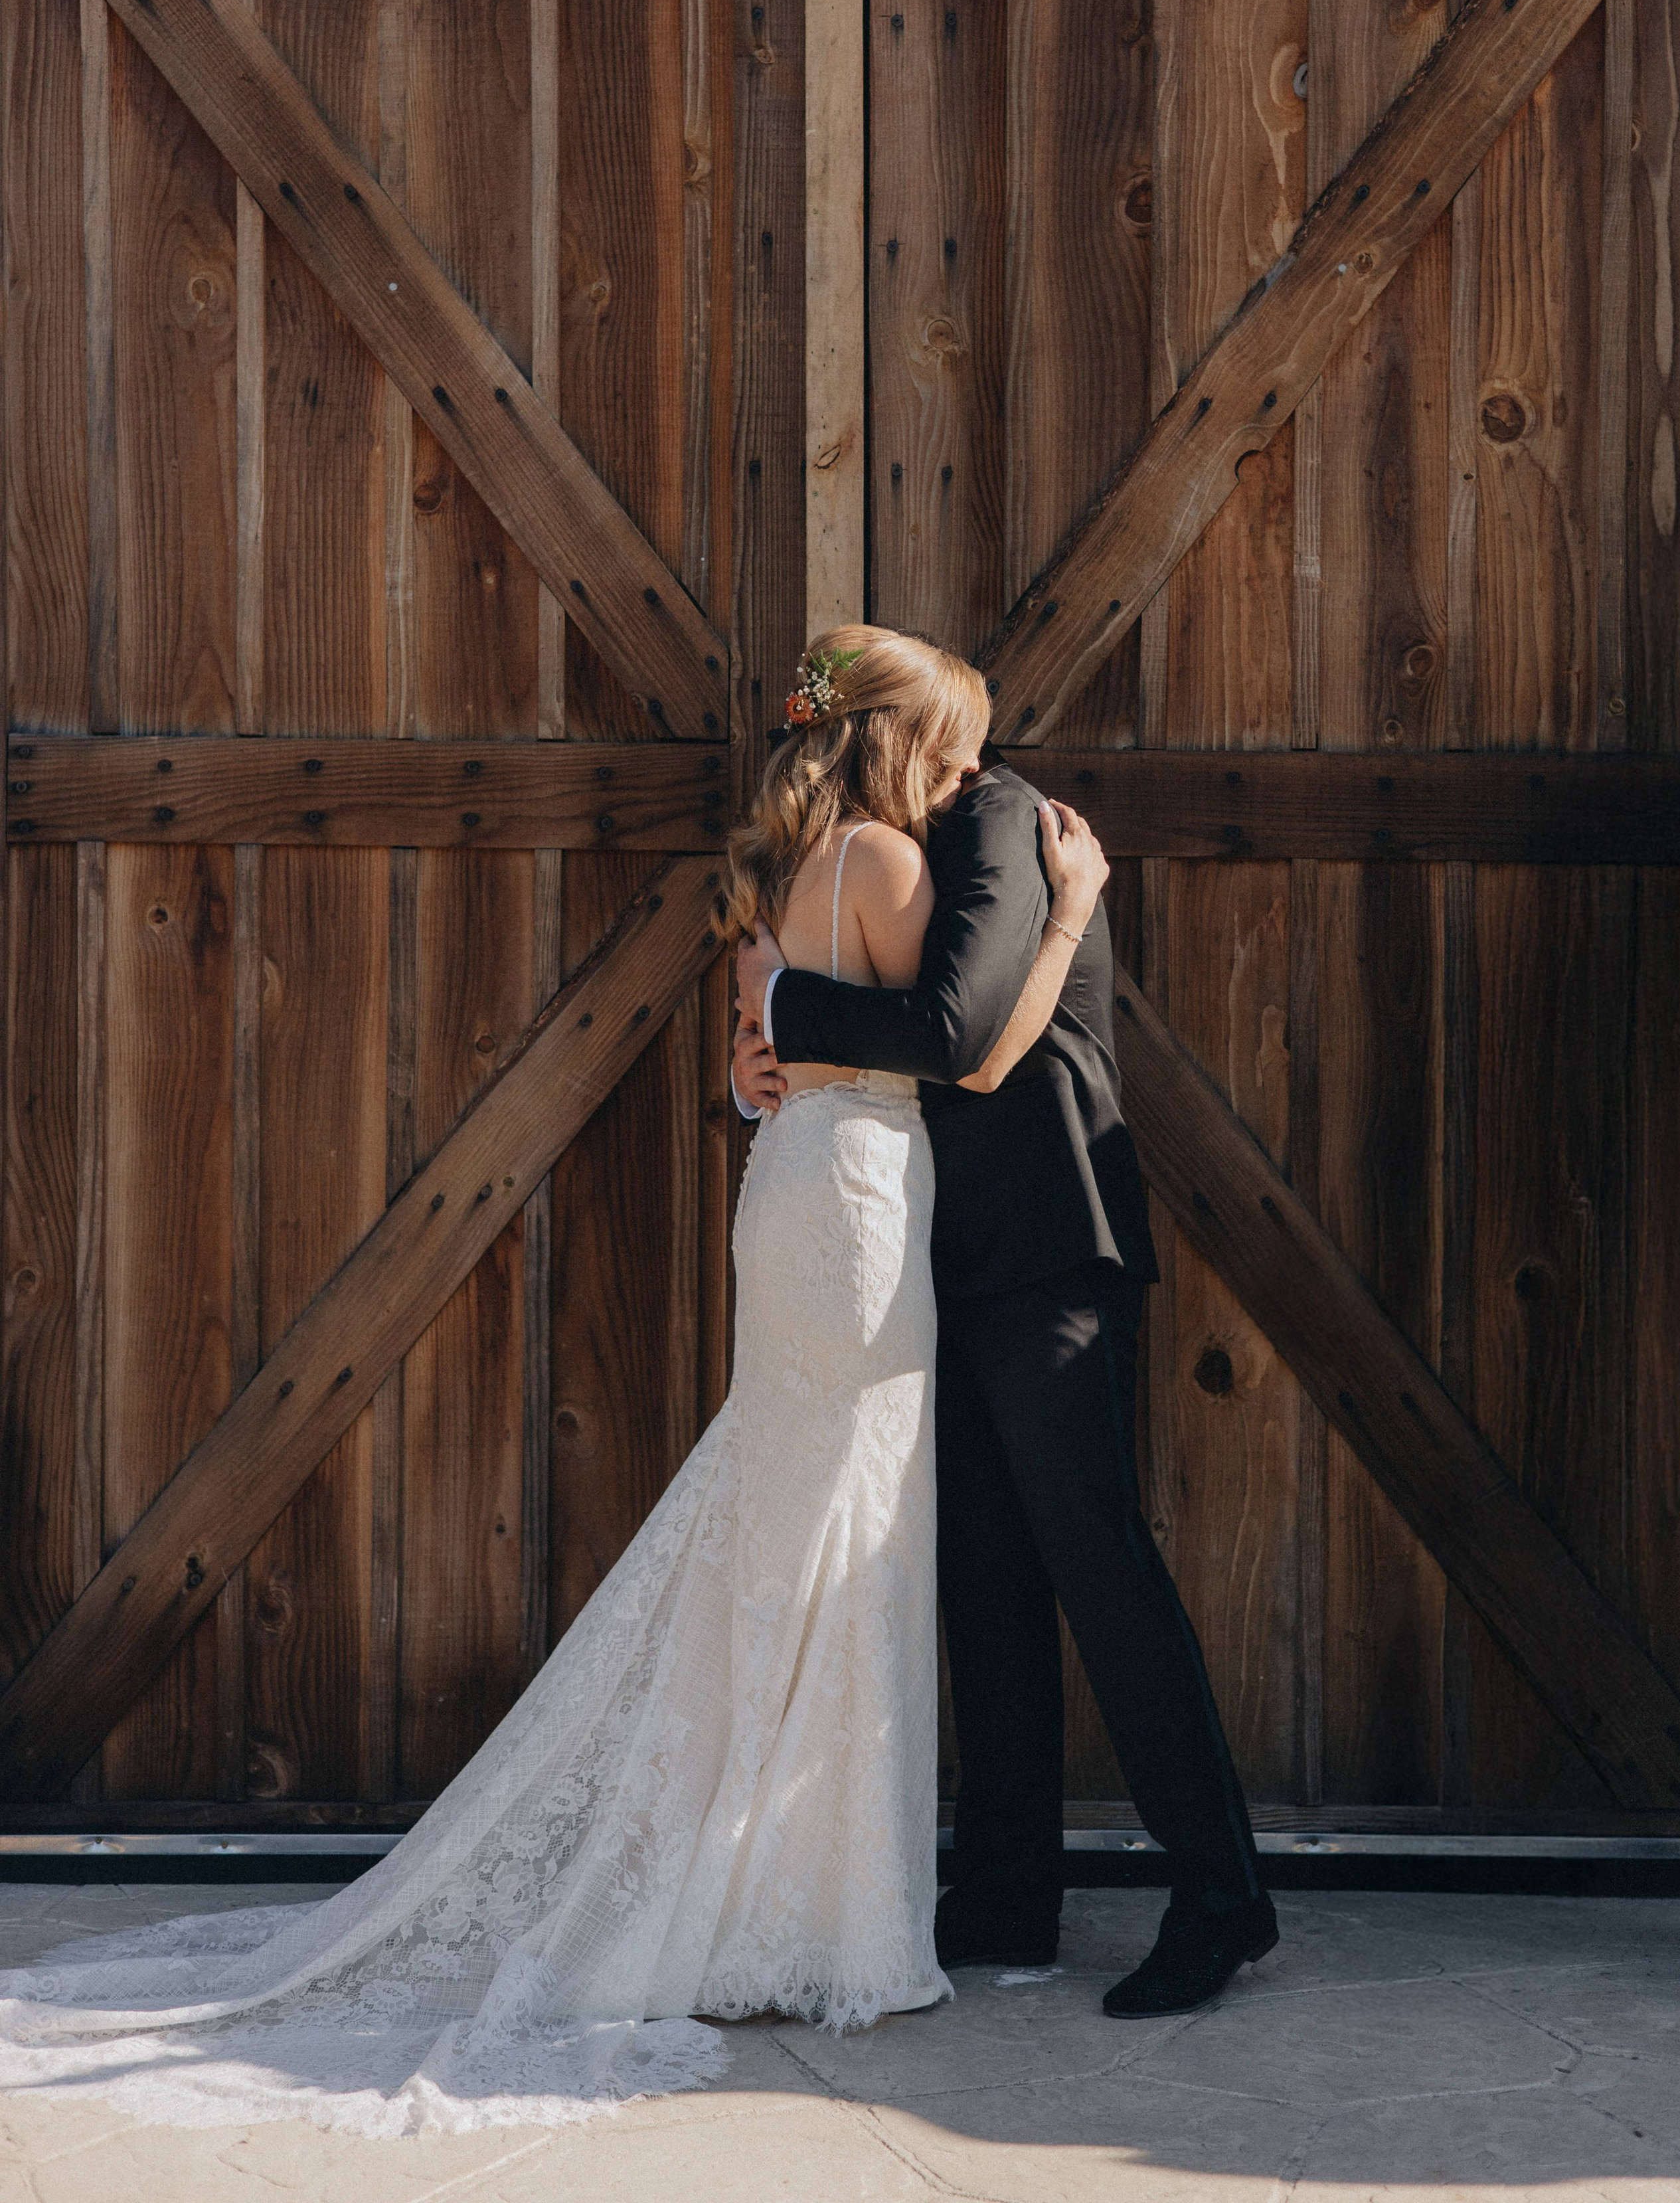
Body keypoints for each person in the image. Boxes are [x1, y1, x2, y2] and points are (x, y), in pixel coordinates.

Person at [0, 626, 1106, 2139]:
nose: (970, 770)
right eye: (953, 741)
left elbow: (761, 1043)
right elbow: (969, 1053)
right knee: (845, 1539)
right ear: (893, 746)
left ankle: (773, 1889)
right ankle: (822, 1913)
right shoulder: (886, 868)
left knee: (784, 1519)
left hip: (789, 1192)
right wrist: (1066, 922)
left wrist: (755, 1060)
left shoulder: (774, 878)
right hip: (853, 1208)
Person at [733, 671, 1278, 2021]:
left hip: (1045, 1245)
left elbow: (959, 1036)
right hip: (939, 1263)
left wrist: (784, 1015)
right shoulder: (876, 849)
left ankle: (1221, 1899)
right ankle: (1002, 1892)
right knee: (984, 1583)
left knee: (1099, 1564)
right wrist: (761, 1072)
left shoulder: (997, 819)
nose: (960, 756)